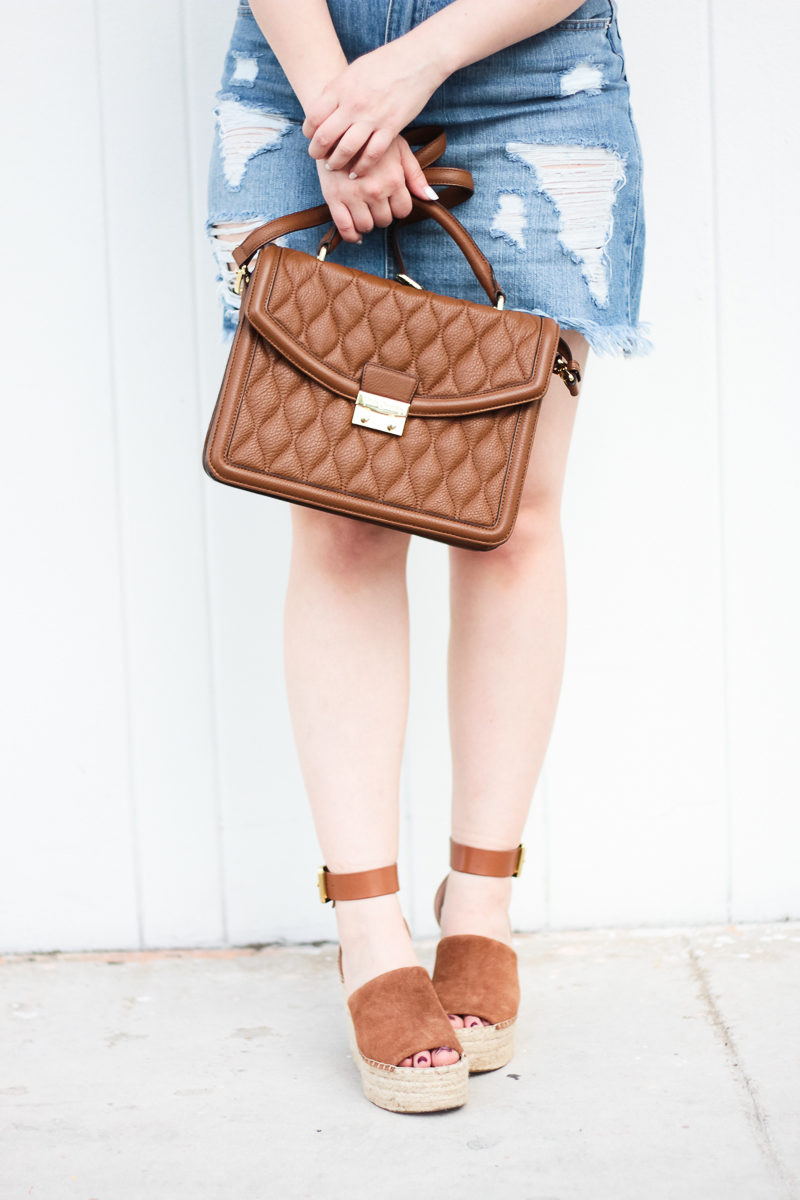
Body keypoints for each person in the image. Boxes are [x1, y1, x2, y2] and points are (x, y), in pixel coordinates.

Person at [207, 0, 647, 1113]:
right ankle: (367, 931)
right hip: (305, 69)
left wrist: (418, 63)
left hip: (529, 66)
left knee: (508, 511)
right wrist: (339, 101)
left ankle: (479, 911)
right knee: (341, 513)